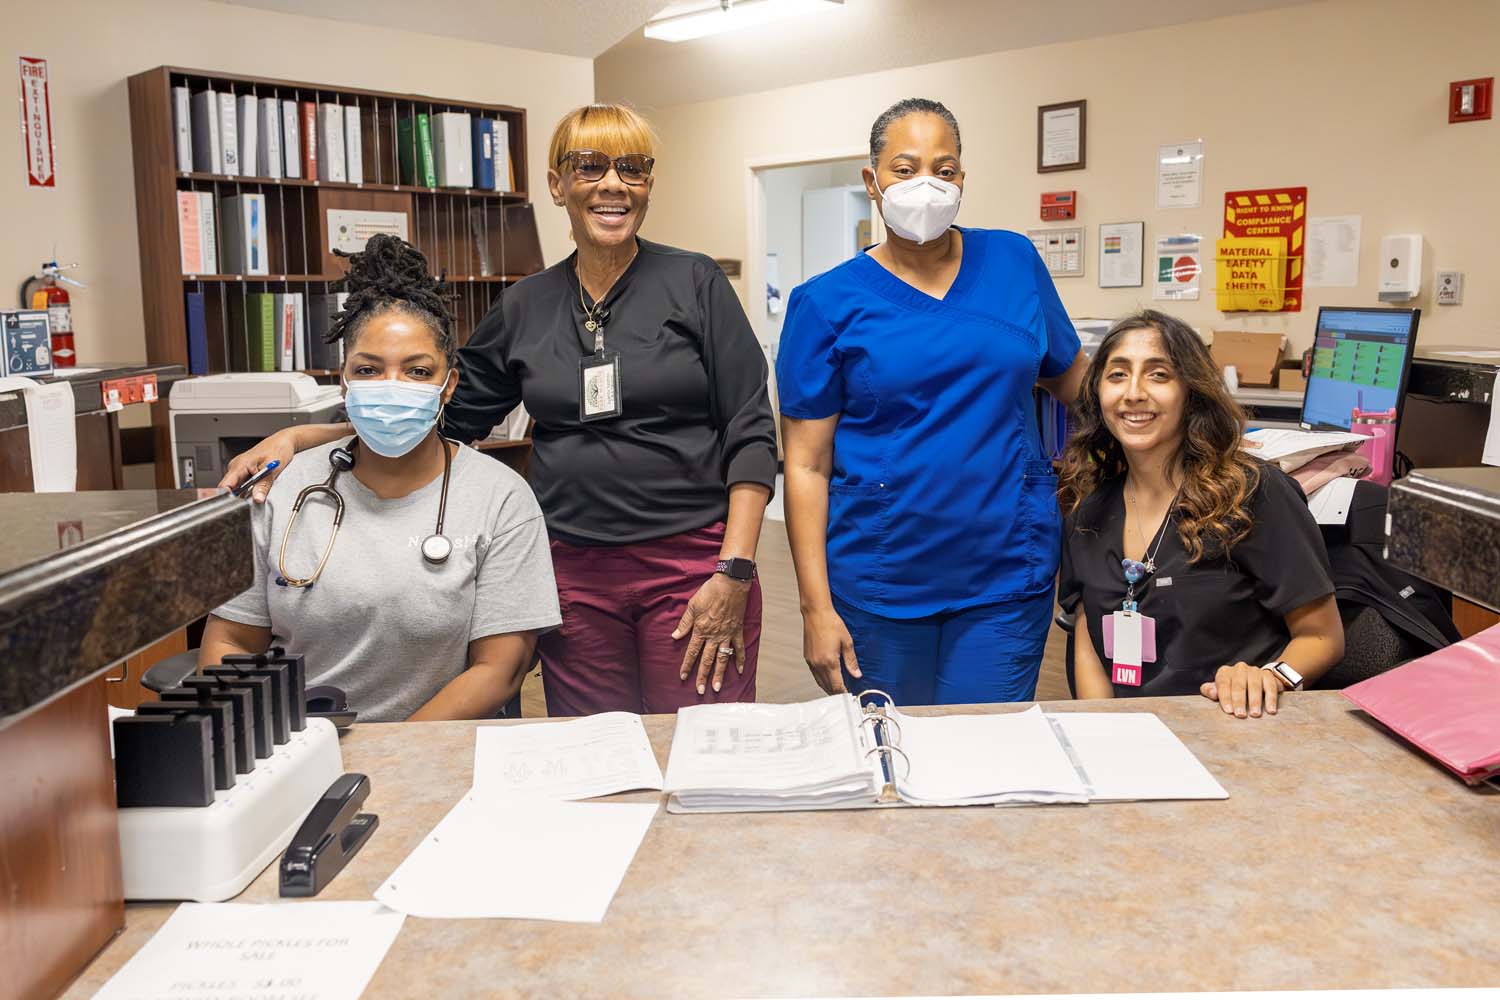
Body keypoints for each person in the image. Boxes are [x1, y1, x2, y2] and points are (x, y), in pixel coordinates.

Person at [219, 104, 777, 717]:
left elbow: (750, 429)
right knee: (593, 748)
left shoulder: (694, 282)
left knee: (700, 739)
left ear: (648, 185)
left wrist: (734, 570)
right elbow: (440, 411)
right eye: (590, 166)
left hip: (693, 562)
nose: (613, 184)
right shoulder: (524, 305)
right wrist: (303, 438)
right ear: (557, 185)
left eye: (632, 168)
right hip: (570, 569)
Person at [777, 98, 1089, 707]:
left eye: (943, 170)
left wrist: (1178, 421)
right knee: (890, 751)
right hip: (882, 575)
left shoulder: (1014, 261)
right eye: (905, 168)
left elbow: (1073, 380)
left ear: (962, 180)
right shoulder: (825, 303)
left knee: (988, 750)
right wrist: (815, 608)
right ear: (872, 181)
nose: (926, 184)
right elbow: (806, 465)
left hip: (1007, 568)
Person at [201, 235, 561, 722]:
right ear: (344, 381)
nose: (392, 388)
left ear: (449, 385)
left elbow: (500, 668)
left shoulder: (500, 498)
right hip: (298, 741)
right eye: (369, 370)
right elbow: (230, 641)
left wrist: (393, 752)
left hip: (438, 749)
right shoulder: (279, 490)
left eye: (418, 371)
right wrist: (270, 743)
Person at [1055, 310, 1345, 718]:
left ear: (1191, 392)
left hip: (1235, 728)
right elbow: (1088, 639)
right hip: (1135, 738)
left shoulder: (1252, 493)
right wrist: (1101, 729)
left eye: (1158, 375)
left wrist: (1272, 677)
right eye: (1117, 375)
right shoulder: (1088, 513)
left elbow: (1323, 638)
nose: (1133, 393)